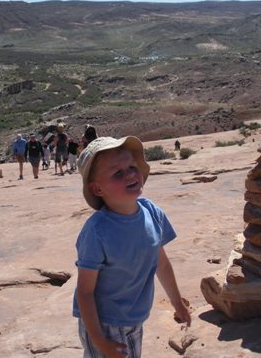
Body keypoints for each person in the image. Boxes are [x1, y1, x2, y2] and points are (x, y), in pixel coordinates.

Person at [73, 136, 191, 358]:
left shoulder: (152, 213)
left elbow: (162, 265)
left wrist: (178, 303)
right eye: (117, 173)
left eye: (132, 167)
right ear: (97, 188)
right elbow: (85, 292)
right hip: (104, 323)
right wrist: (99, 341)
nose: (130, 174)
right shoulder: (97, 231)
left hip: (134, 316)